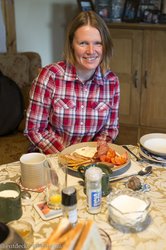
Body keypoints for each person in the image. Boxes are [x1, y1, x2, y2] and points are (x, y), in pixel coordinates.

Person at [24, 11, 120, 154]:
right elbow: (34, 129)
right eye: (83, 43)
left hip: (90, 160)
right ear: (71, 45)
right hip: (51, 156)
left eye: (98, 43)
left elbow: (110, 129)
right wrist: (68, 157)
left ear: (105, 46)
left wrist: (95, 152)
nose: (91, 51)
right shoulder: (50, 76)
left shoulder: (112, 82)